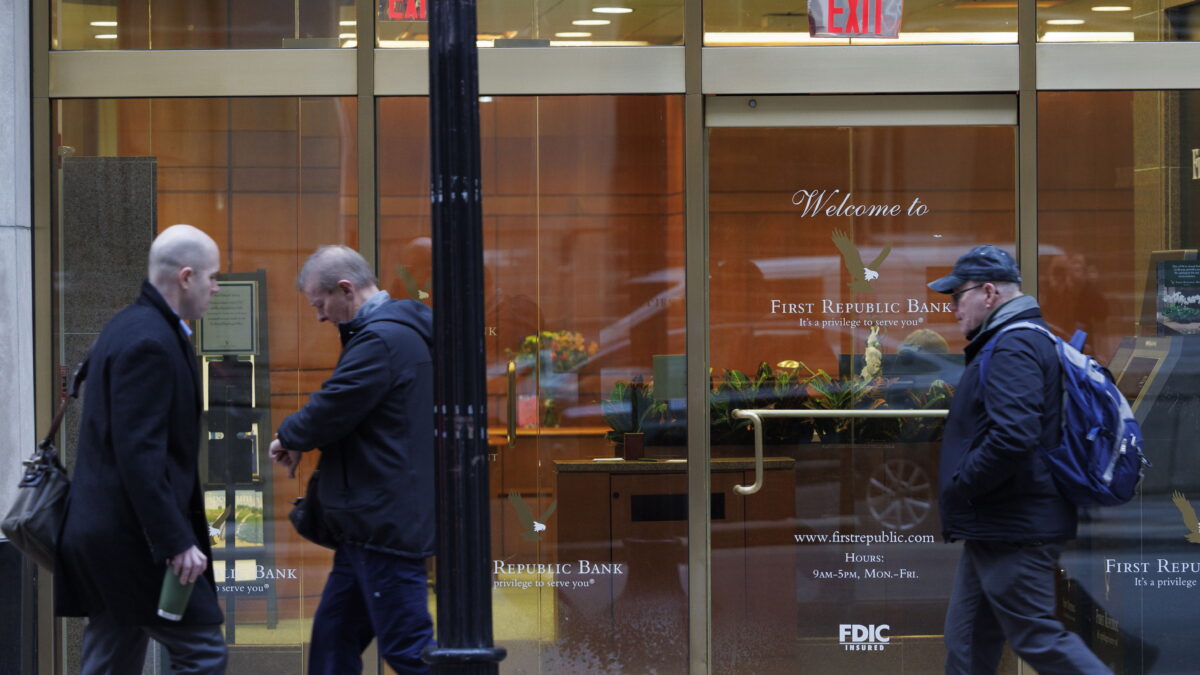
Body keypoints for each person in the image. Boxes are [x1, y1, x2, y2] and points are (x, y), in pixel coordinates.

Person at [55, 224, 227, 674]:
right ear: (186, 277)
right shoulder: (150, 341)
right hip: (133, 541)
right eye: (213, 276)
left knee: (111, 656)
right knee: (202, 652)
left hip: (112, 538)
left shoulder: (130, 326)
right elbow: (140, 455)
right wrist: (176, 541)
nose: (216, 286)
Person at [929, 244, 1109, 674]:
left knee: (1038, 637)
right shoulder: (1008, 341)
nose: (953, 309)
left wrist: (962, 484)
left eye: (957, 296)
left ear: (988, 293)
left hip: (1014, 524)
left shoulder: (1013, 346)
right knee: (967, 642)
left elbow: (1014, 436)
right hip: (996, 523)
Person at [269, 245, 435, 674]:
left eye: (320, 304)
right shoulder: (393, 332)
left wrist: (288, 435)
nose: (320, 316)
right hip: (370, 523)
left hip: (384, 526)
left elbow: (333, 406)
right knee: (332, 646)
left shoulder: (381, 339)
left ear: (345, 289)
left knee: (407, 650)